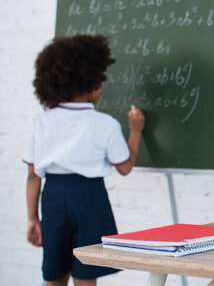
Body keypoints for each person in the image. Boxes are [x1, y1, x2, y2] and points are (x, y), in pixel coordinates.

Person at [23, 35, 146, 286]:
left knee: (54, 275)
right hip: (90, 197)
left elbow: (33, 175)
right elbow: (124, 167)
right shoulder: (105, 124)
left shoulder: (41, 123)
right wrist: (135, 130)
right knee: (86, 276)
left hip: (53, 197)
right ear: (92, 83)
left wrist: (32, 218)